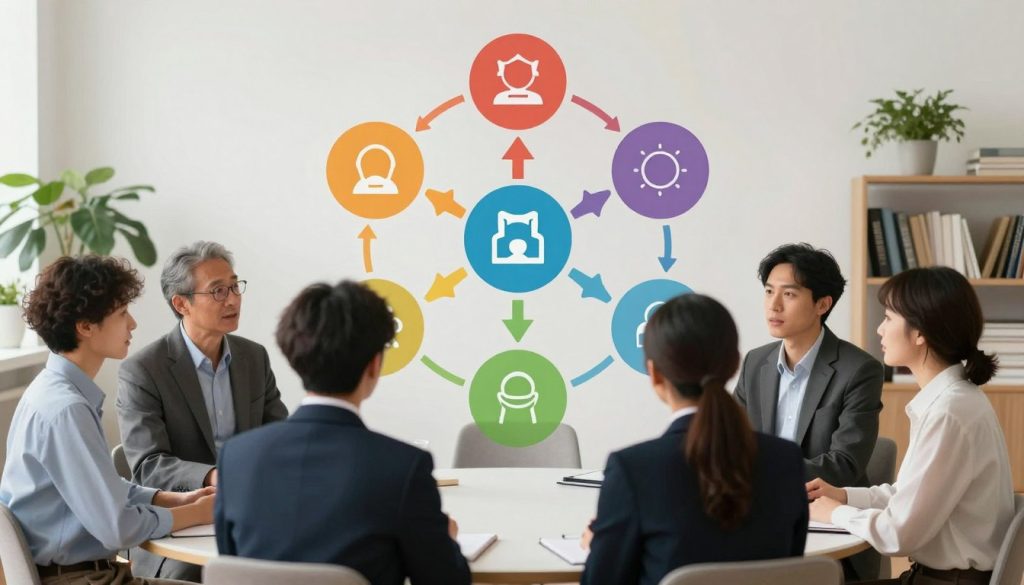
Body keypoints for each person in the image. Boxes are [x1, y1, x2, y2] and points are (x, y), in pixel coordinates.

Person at [214, 280, 470, 585]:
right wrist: (448, 541)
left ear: (295, 358)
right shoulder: (403, 468)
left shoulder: (236, 458)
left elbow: (233, 565)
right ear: (374, 365)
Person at [0, 256, 214, 585]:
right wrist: (195, 513)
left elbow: (98, 487)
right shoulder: (67, 409)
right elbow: (118, 528)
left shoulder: (49, 390)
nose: (132, 324)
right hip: (80, 579)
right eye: (121, 313)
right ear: (85, 326)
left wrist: (167, 498)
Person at [580, 293, 808, 585]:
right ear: (735, 364)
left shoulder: (632, 469)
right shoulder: (786, 460)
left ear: (655, 373)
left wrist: (598, 546)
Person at [808, 267, 1015, 585]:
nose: (879, 329)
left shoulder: (949, 412)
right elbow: (910, 496)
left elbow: (898, 534)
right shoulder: (954, 400)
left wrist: (834, 513)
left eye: (888, 317)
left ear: (920, 332)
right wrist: (845, 496)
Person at [116, 241, 288, 580]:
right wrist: (215, 477)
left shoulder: (253, 357)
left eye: (235, 287)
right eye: (218, 291)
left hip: (255, 514)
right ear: (182, 304)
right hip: (183, 529)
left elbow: (278, 438)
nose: (234, 299)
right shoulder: (143, 370)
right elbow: (148, 466)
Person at [733, 243, 884, 580]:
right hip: (759, 519)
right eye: (769, 291)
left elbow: (844, 464)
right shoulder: (755, 362)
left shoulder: (859, 369)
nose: (773, 305)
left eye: (789, 294)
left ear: (822, 304)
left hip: (827, 528)